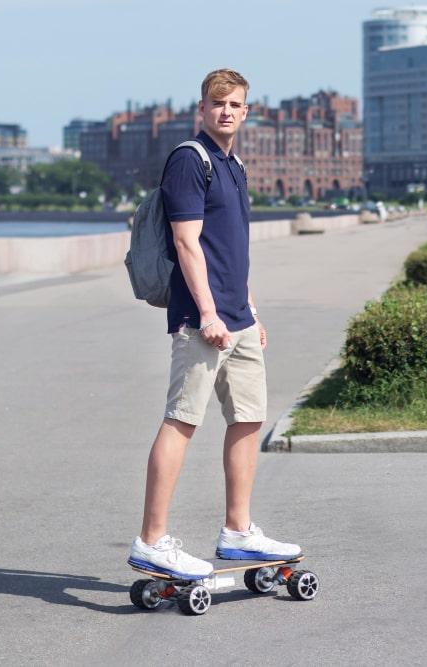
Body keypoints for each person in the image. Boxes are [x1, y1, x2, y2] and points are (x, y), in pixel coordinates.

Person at [127, 69, 300, 580]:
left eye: (236, 104)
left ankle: (238, 531)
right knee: (182, 420)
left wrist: (248, 310)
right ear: (202, 109)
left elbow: (232, 248)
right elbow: (187, 243)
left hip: (238, 318)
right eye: (218, 103)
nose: (226, 111)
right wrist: (207, 313)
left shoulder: (235, 164)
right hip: (200, 319)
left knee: (248, 419)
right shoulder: (190, 160)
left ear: (246, 113)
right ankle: (152, 541)